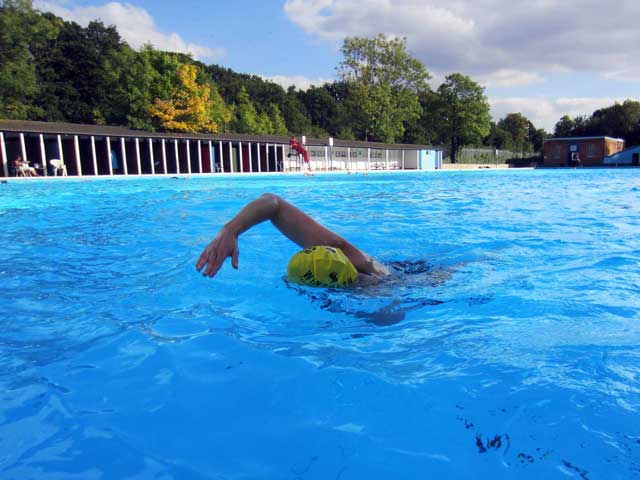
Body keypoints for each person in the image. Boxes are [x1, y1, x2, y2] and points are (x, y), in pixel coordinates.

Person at [196, 193, 390, 287]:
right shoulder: (353, 258)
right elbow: (274, 204)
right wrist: (230, 231)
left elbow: (274, 204)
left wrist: (231, 230)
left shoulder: (380, 279)